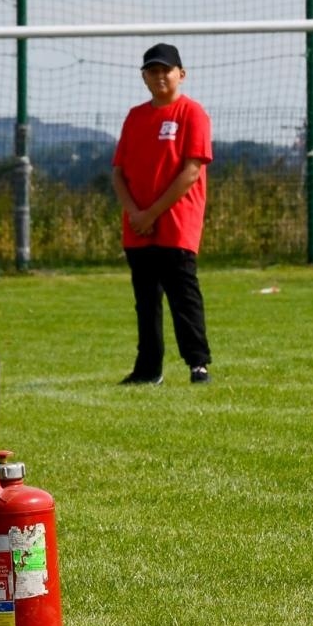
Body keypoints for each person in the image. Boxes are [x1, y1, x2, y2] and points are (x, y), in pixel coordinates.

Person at [111, 42, 215, 385]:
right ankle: (148, 368)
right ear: (144, 77)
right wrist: (135, 214)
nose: (159, 76)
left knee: (183, 295)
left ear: (180, 74)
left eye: (165, 70)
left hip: (175, 224)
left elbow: (191, 171)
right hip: (138, 227)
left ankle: (198, 364)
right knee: (146, 301)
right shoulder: (135, 116)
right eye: (152, 71)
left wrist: (152, 212)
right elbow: (118, 172)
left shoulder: (192, 113)